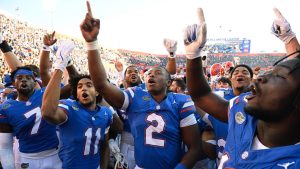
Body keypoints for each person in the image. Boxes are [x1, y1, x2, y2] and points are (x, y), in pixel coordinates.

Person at [80, 1, 201, 169]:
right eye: (149, 73)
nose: (151, 75)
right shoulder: (134, 95)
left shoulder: (181, 102)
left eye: (157, 73)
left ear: (168, 81)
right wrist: (92, 43)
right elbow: (101, 84)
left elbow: (195, 148)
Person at [185, 7, 300, 168]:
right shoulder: (242, 110)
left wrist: (290, 40)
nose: (261, 77)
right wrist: (193, 56)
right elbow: (201, 95)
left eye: (278, 76)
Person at [41, 38, 112, 168]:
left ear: (97, 92)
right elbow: (48, 112)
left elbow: (105, 145)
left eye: (89, 85)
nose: (83, 88)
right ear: (76, 94)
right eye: (79, 87)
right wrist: (60, 65)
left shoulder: (106, 113)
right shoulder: (69, 107)